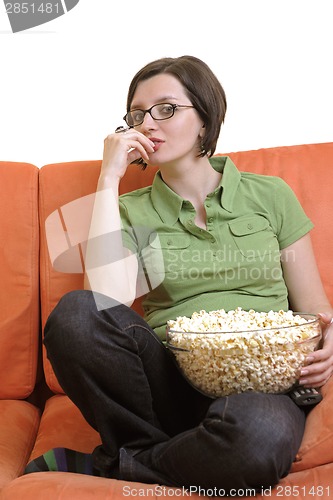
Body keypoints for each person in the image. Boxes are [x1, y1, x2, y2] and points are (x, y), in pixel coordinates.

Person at [25, 56, 333, 492]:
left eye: (166, 108)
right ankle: (181, 453)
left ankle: (119, 465)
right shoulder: (131, 211)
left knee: (255, 443)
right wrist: (109, 177)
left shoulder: (270, 195)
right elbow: (105, 303)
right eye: (137, 114)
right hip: (170, 381)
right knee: (76, 313)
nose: (148, 123)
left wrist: (329, 334)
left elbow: (314, 306)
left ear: (205, 119)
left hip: (260, 383)